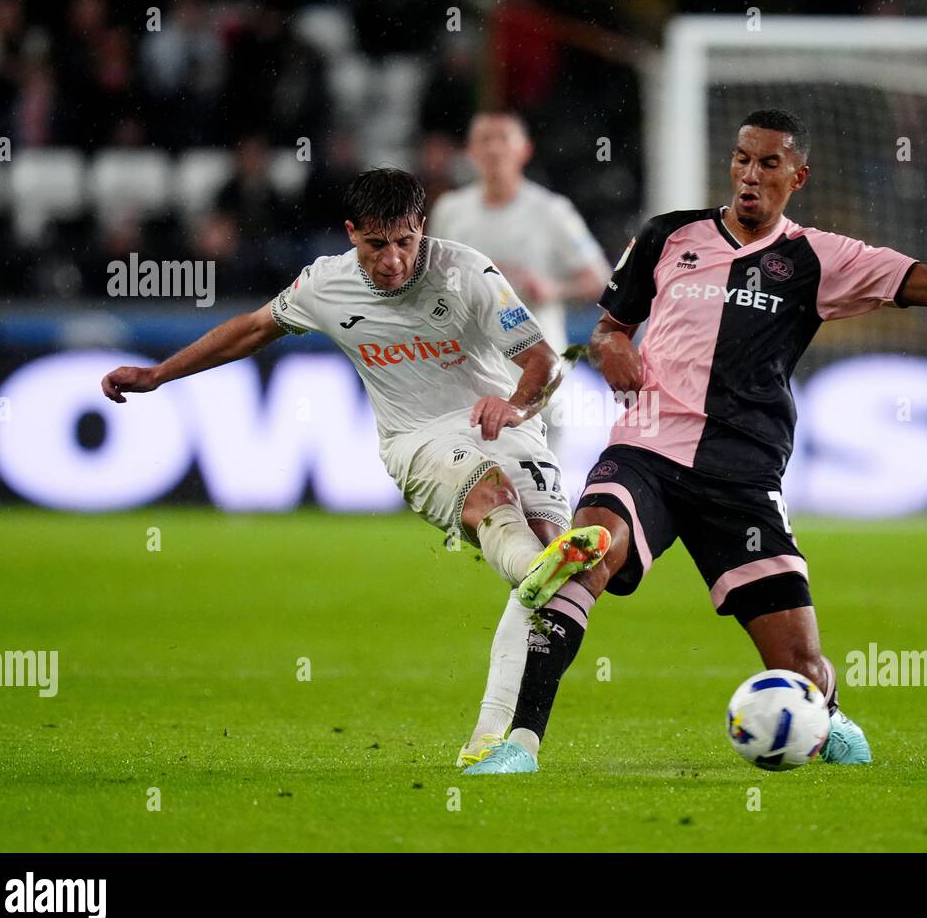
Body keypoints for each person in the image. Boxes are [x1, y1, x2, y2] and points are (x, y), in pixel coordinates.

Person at [466, 108, 927, 774]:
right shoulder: (668, 236)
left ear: (796, 176)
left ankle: (823, 713)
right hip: (647, 452)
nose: (750, 176)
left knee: (800, 666)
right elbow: (609, 326)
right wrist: (612, 349)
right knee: (585, 553)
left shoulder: (821, 259)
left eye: (769, 164)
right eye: (742, 160)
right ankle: (520, 745)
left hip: (743, 477)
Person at [100, 167, 609, 766]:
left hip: (507, 423)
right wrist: (160, 373)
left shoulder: (468, 272)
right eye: (375, 244)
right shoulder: (325, 285)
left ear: (421, 227)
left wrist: (516, 405)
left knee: (557, 587)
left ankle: (494, 742)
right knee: (498, 508)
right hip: (416, 439)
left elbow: (545, 364)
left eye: (404, 242)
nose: (391, 259)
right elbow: (253, 330)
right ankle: (532, 567)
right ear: (351, 234)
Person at [429, 112, 612, 354]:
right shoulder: (449, 209)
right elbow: (430, 277)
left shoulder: (552, 211)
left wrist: (554, 289)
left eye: (504, 139)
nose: (494, 149)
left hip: (535, 357)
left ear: (525, 149)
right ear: (470, 151)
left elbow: (600, 281)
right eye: (484, 140)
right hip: (469, 359)